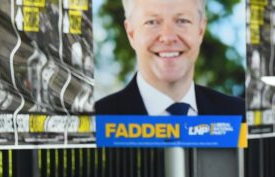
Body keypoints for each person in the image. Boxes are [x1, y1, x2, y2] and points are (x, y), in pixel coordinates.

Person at [94, 0, 244, 116]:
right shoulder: (97, 120)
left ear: (200, 30)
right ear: (131, 33)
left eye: (182, 21)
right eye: (152, 22)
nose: (168, 37)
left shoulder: (240, 116)